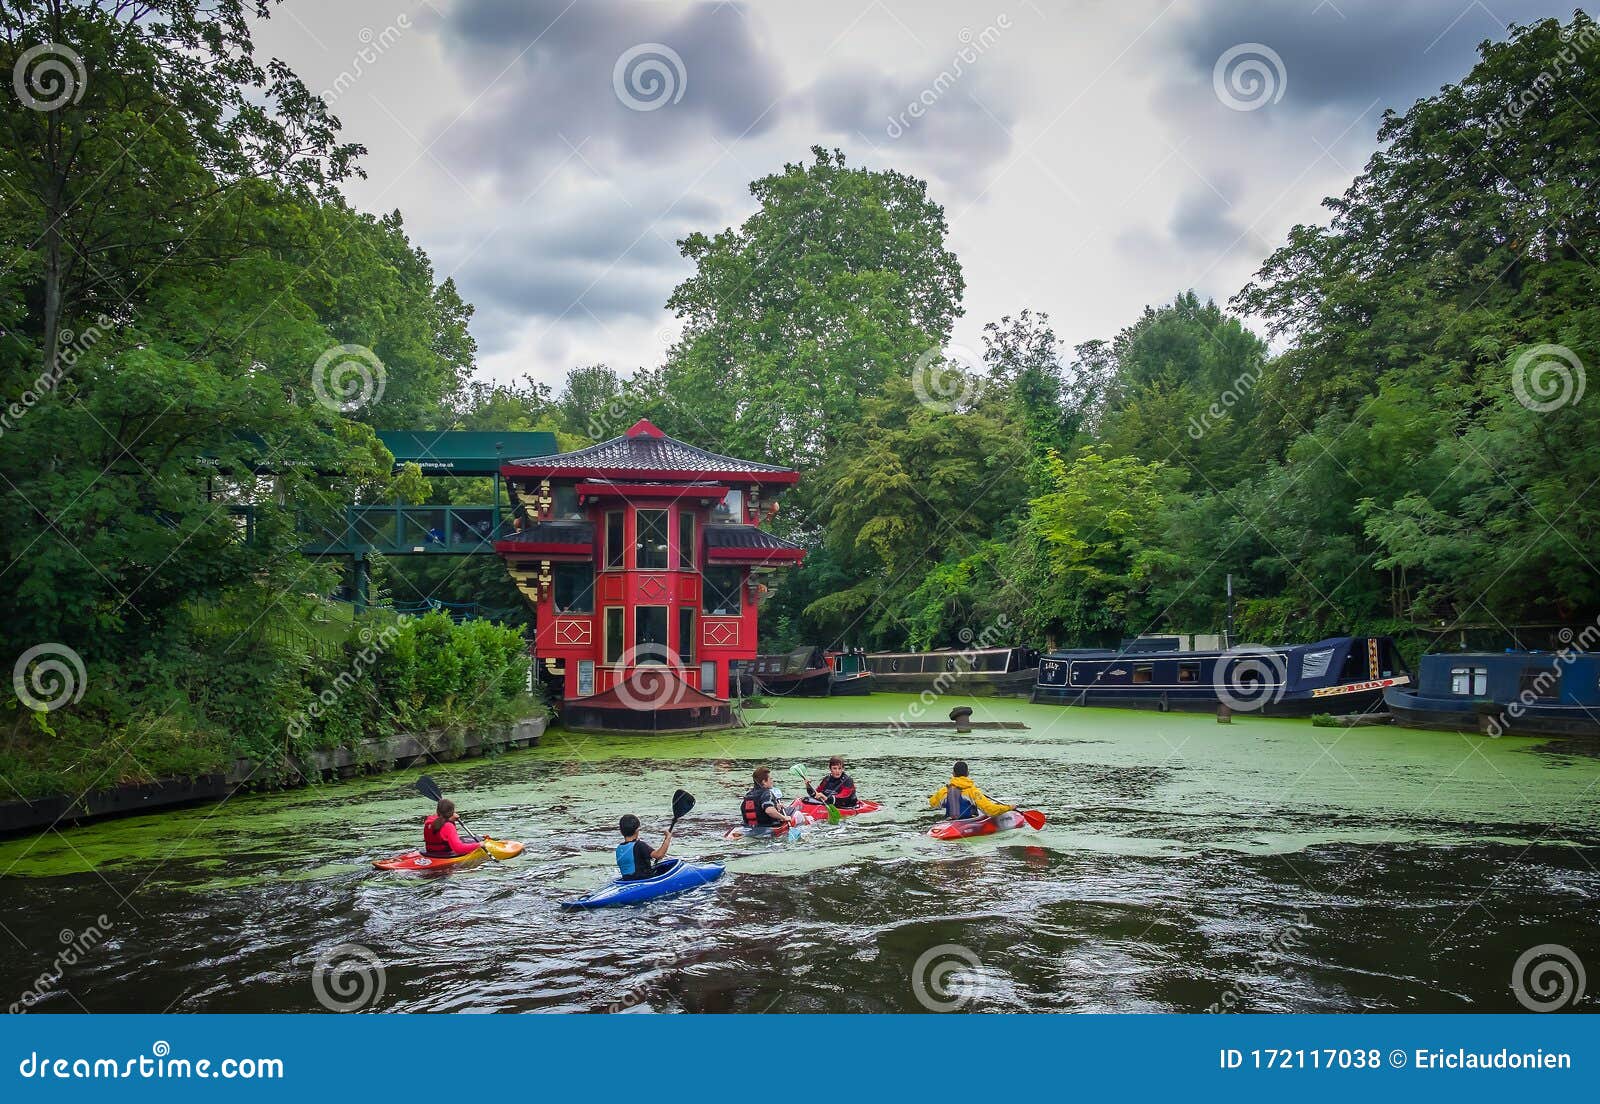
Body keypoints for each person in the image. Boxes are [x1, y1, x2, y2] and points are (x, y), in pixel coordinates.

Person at [927, 760, 1013, 820]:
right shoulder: (973, 791)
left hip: (950, 822)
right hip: (969, 821)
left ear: (953, 774)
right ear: (968, 773)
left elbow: (932, 804)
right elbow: (990, 810)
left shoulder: (944, 790)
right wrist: (1009, 807)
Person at [616, 814, 672, 880]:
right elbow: (659, 855)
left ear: (621, 832)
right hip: (644, 880)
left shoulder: (619, 848)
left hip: (627, 881)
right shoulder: (639, 845)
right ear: (637, 830)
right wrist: (667, 838)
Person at [740, 767, 790, 831]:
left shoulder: (748, 795)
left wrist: (775, 806)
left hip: (750, 827)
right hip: (768, 828)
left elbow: (757, 808)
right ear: (764, 782)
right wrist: (784, 818)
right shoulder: (767, 793)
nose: (772, 781)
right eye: (770, 779)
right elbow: (769, 811)